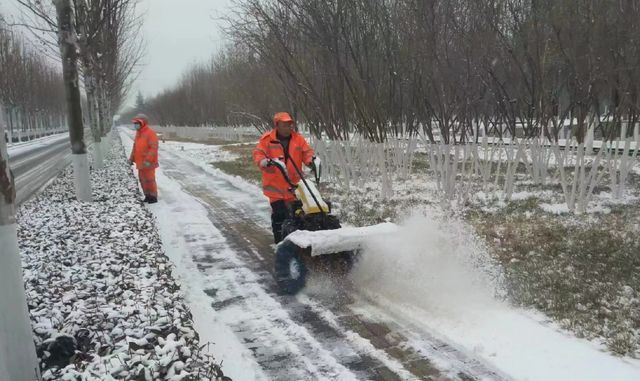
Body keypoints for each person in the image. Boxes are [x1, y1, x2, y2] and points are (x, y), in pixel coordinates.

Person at [253, 112, 318, 243]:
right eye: (285, 125)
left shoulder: (298, 139)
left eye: (290, 125)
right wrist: (263, 161)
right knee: (280, 216)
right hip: (275, 188)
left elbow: (307, 152)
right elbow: (258, 153)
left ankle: (299, 242)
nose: (288, 128)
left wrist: (311, 161)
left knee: (298, 215)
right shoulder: (267, 140)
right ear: (277, 125)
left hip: (294, 186)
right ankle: (280, 243)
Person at [129, 114, 159, 203]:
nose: (135, 125)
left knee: (150, 180)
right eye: (135, 123)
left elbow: (153, 148)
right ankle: (147, 195)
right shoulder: (138, 133)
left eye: (137, 123)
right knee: (143, 180)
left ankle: (153, 197)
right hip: (140, 162)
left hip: (148, 163)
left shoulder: (150, 133)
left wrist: (148, 160)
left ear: (143, 123)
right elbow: (135, 147)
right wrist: (131, 158)